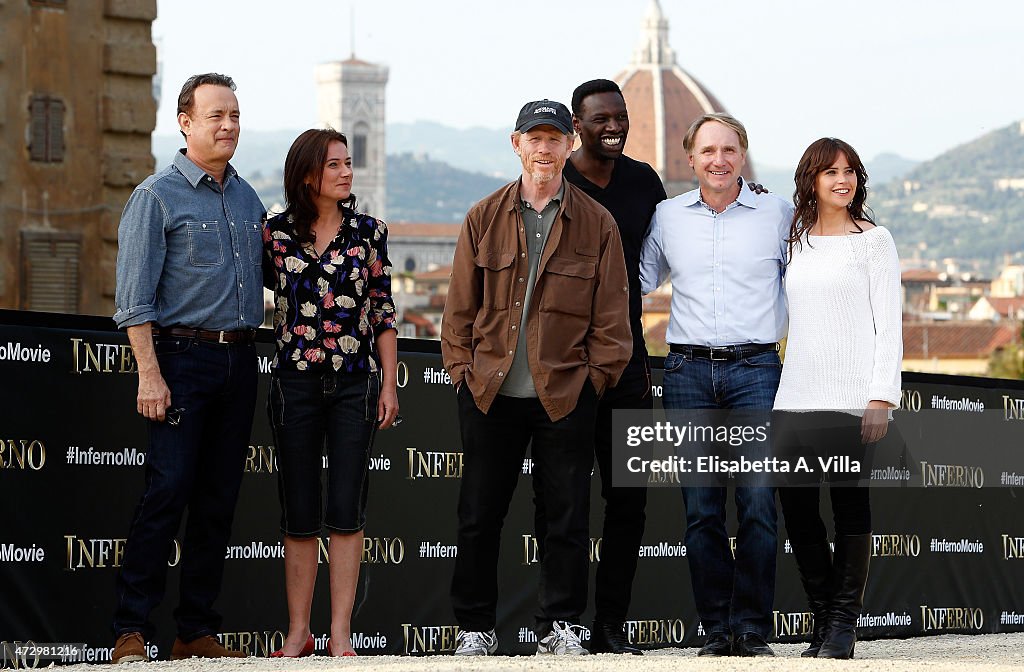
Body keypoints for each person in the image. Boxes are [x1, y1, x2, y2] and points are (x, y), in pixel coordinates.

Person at [441, 100, 632, 656]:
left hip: (566, 394)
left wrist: (594, 380)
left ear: (571, 144)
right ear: (516, 144)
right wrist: (461, 370)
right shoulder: (483, 216)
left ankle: (562, 625)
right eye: (534, 138)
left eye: (555, 138)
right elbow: (459, 310)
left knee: (567, 517)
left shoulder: (598, 222)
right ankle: (475, 627)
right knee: (479, 516)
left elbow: (612, 319)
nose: (544, 149)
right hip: (491, 392)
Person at [111, 73, 265, 663]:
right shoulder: (155, 197)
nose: (228, 126)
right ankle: (131, 628)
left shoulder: (247, 198)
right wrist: (150, 375)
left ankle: (194, 629)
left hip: (239, 359)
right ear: (185, 123)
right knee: (167, 492)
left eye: (234, 115)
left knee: (218, 498)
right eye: (214, 116)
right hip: (179, 361)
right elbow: (133, 299)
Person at [639, 113, 793, 657]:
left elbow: (808, 281)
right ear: (691, 160)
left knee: (756, 503)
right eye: (708, 151)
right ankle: (714, 629)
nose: (719, 160)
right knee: (701, 508)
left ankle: (751, 630)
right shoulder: (667, 216)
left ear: (743, 155)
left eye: (729, 150)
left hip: (757, 370)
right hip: (687, 373)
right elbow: (636, 281)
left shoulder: (778, 213)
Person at [262, 128, 399, 658]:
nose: (347, 172)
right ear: (306, 175)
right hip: (294, 382)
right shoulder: (273, 235)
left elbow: (383, 311)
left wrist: (388, 382)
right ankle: (299, 632)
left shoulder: (370, 233)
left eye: (348, 163)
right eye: (335, 165)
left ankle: (341, 633)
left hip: (354, 384)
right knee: (299, 512)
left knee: (346, 509)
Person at [773, 137, 901, 659]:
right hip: (795, 392)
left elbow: (889, 324)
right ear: (811, 180)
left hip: (853, 397)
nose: (842, 180)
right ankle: (822, 614)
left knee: (850, 510)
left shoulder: (874, 241)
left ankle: (843, 624)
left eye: (849, 171)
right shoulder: (794, 240)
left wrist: (880, 397)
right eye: (830, 172)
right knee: (799, 513)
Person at [560, 78, 666, 655]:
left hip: (628, 363)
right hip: (567, 366)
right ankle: (569, 627)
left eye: (620, 117)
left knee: (629, 496)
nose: (614, 126)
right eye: (601, 118)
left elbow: (676, 243)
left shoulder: (644, 181)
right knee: (569, 498)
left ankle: (612, 626)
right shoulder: (559, 181)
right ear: (578, 124)